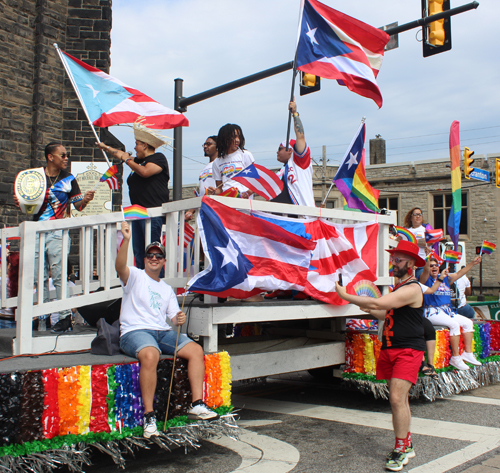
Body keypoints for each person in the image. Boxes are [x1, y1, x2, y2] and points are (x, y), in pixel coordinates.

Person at [115, 221, 219, 438]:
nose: (154, 258)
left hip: (161, 332)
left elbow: (174, 317)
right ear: (144, 260)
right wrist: (126, 240)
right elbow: (120, 266)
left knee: (196, 351)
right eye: (150, 255)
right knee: (151, 354)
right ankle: (149, 416)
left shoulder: (167, 289)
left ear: (163, 261)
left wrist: (179, 317)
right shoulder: (134, 275)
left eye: (158, 255)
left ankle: (197, 405)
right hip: (135, 331)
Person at [335, 240, 426, 471]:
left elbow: (378, 301)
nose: (393, 263)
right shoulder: (399, 289)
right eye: (393, 259)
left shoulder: (413, 288)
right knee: (399, 400)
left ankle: (401, 449)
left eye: (399, 259)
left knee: (396, 398)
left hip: (407, 350)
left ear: (412, 264)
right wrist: (369, 308)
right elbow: (384, 312)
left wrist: (348, 296)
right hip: (390, 348)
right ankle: (406, 442)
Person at [14, 142, 95, 333]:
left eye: (66, 155)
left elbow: (78, 206)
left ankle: (65, 316)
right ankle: (41, 316)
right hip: (36, 230)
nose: (66, 158)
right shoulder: (35, 177)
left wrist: (86, 199)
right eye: (63, 155)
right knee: (38, 276)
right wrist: (21, 202)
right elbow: (28, 206)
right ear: (51, 157)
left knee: (58, 275)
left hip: (58, 230)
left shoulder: (68, 179)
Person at [98, 122, 169, 275]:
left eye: (137, 144)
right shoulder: (136, 161)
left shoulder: (158, 158)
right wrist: (106, 148)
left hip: (152, 212)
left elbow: (145, 172)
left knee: (152, 253)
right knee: (139, 254)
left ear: (144, 145)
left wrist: (127, 160)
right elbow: (119, 154)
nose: (135, 148)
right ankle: (142, 286)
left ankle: (156, 284)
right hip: (137, 212)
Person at [419, 256, 482, 370]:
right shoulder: (425, 279)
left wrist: (473, 263)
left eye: (436, 265)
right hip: (432, 311)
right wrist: (428, 258)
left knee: (468, 323)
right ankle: (455, 357)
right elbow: (424, 270)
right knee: (454, 325)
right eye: (431, 265)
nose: (434, 267)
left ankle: (467, 353)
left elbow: (459, 273)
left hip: (446, 311)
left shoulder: (445, 278)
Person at [271, 100, 314, 207]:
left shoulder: (299, 161)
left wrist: (295, 113)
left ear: (290, 150)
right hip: (282, 216)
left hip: (300, 215)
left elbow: (300, 136)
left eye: (280, 148)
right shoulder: (282, 170)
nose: (277, 151)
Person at [207, 124, 254, 198]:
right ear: (225, 138)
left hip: (244, 203)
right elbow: (220, 188)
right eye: (234, 137)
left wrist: (247, 193)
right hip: (227, 201)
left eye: (239, 136)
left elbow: (255, 181)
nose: (237, 140)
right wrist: (214, 191)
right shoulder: (217, 162)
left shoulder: (245, 155)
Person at [185, 135, 218, 221]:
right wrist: (191, 211)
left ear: (218, 146)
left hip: (216, 209)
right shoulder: (204, 169)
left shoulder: (220, 164)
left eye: (209, 144)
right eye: (204, 144)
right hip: (204, 210)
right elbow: (201, 195)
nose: (205, 146)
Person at [401, 208, 430, 279]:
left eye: (420, 214)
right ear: (411, 217)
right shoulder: (406, 231)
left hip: (422, 262)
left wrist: (410, 240)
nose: (418, 216)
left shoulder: (426, 229)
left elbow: (429, 242)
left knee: (421, 283)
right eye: (415, 214)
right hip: (409, 263)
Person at [0, 251, 20, 329]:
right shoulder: (26, 283)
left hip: (3, 318)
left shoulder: (2, 281)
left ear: (8, 265)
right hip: (20, 319)